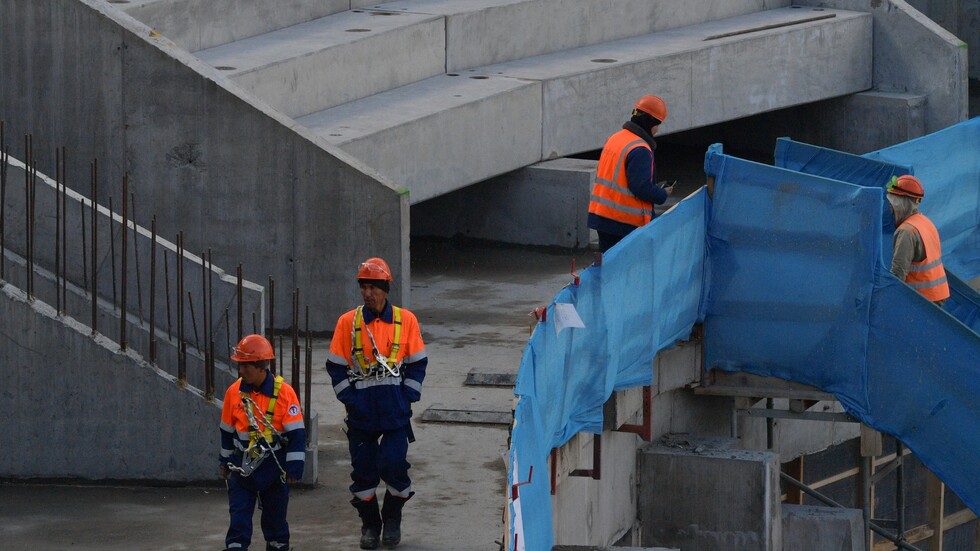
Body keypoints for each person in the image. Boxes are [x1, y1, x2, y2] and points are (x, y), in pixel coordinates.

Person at [325, 257, 427, 549]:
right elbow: (335, 367)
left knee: (395, 465)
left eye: (373, 287)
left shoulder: (406, 321)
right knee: (364, 472)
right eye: (364, 287)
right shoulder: (348, 323)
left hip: (395, 411)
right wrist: (351, 401)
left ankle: (392, 519)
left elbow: (418, 363)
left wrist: (408, 396)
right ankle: (370, 525)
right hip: (362, 413)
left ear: (385, 288)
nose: (368, 293)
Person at [219, 334, 306, 551]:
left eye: (246, 366)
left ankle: (277, 545)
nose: (241, 371)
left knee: (275, 519)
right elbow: (226, 432)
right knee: (238, 517)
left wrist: (294, 468)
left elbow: (297, 434)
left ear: (261, 366)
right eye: (240, 365)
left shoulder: (285, 394)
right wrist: (224, 461)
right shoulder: (234, 393)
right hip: (242, 468)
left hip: (273, 470)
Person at [588, 94, 674, 252]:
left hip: (602, 216)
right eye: (658, 124)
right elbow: (641, 187)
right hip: (624, 222)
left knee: (607, 268)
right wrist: (662, 194)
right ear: (650, 122)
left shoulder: (616, 138)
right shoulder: (640, 149)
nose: (657, 129)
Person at [886, 174, 950, 305]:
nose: (890, 208)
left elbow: (898, 274)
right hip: (938, 294)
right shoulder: (925, 222)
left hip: (922, 300)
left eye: (892, 202)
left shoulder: (906, 232)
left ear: (900, 204)